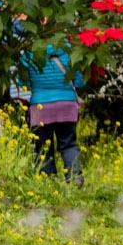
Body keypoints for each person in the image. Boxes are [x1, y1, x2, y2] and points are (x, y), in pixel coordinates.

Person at [16, 30, 83, 184]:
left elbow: (22, 82)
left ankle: (47, 181)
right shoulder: (70, 51)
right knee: (69, 144)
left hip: (41, 107)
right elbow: (79, 82)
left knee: (42, 148)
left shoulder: (29, 53)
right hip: (67, 105)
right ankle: (74, 177)